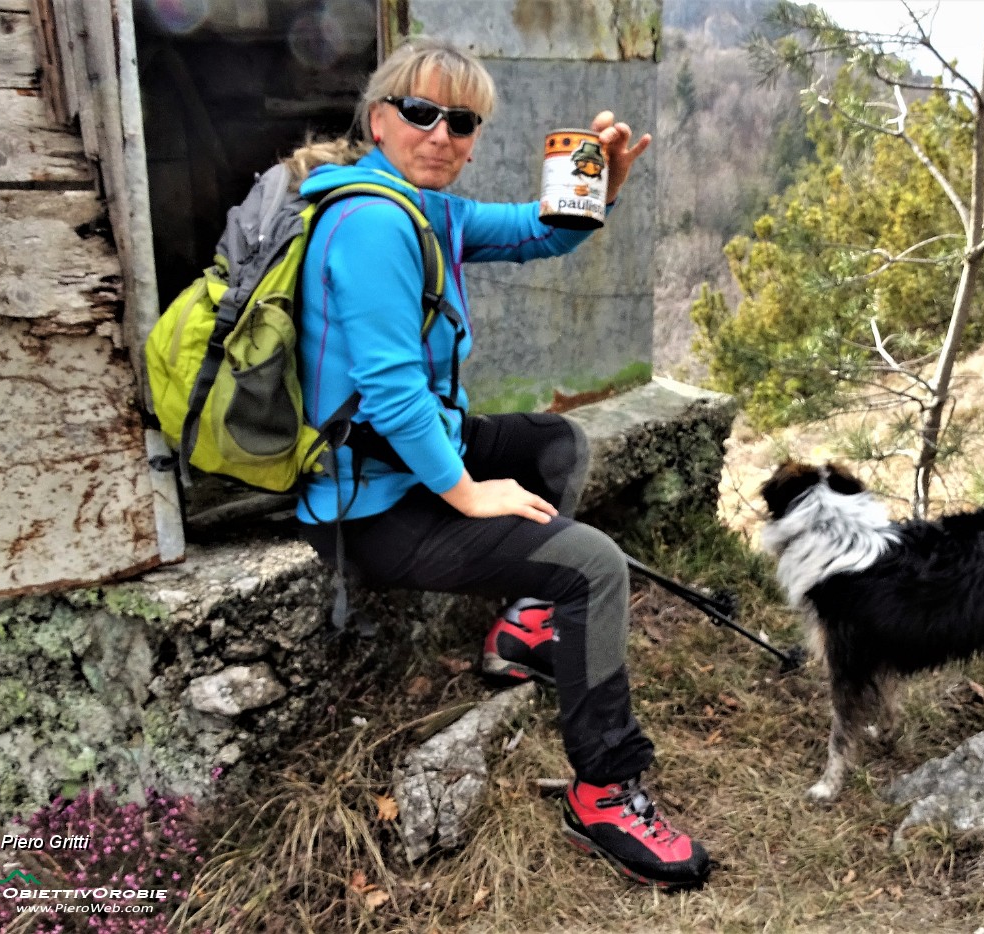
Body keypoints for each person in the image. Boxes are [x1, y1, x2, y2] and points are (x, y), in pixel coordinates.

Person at [286, 38, 711, 889]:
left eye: (463, 120)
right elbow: (393, 391)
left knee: (556, 445)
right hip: (369, 507)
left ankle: (520, 631)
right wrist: (466, 491)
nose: (442, 133)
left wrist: (603, 185)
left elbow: (535, 236)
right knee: (589, 565)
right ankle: (604, 790)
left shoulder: (424, 208)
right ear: (379, 120)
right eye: (421, 113)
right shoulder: (371, 223)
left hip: (407, 464)